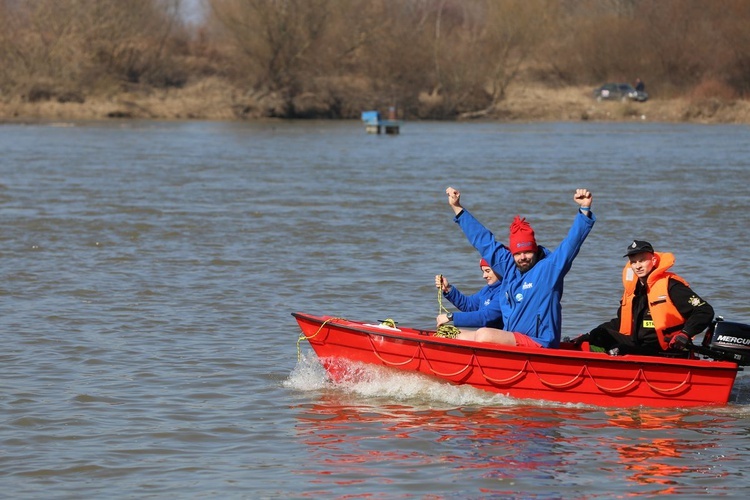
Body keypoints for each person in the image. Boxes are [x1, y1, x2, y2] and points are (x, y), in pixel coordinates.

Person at [437, 187, 595, 348]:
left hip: (539, 343)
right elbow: (484, 241)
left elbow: (571, 244)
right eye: (518, 253)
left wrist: (584, 210)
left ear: (534, 249)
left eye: (527, 252)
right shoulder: (509, 267)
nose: (523, 257)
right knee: (451, 334)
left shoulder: (549, 270)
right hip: (513, 340)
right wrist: (457, 207)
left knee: (484, 333)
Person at [582, 240, 714, 356]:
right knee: (598, 335)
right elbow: (622, 322)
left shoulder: (671, 286)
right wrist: (587, 336)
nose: (638, 266)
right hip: (640, 344)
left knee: (619, 349)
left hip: (667, 349)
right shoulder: (634, 290)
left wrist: (685, 334)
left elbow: (704, 311)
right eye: (634, 262)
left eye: (642, 260)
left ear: (653, 261)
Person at [435, 258, 504, 330]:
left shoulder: (505, 291)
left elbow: (486, 317)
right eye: (483, 271)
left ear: (499, 269)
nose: (484, 276)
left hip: (500, 337)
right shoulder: (487, 289)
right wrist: (448, 289)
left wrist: (451, 317)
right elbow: (469, 305)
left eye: (487, 271)